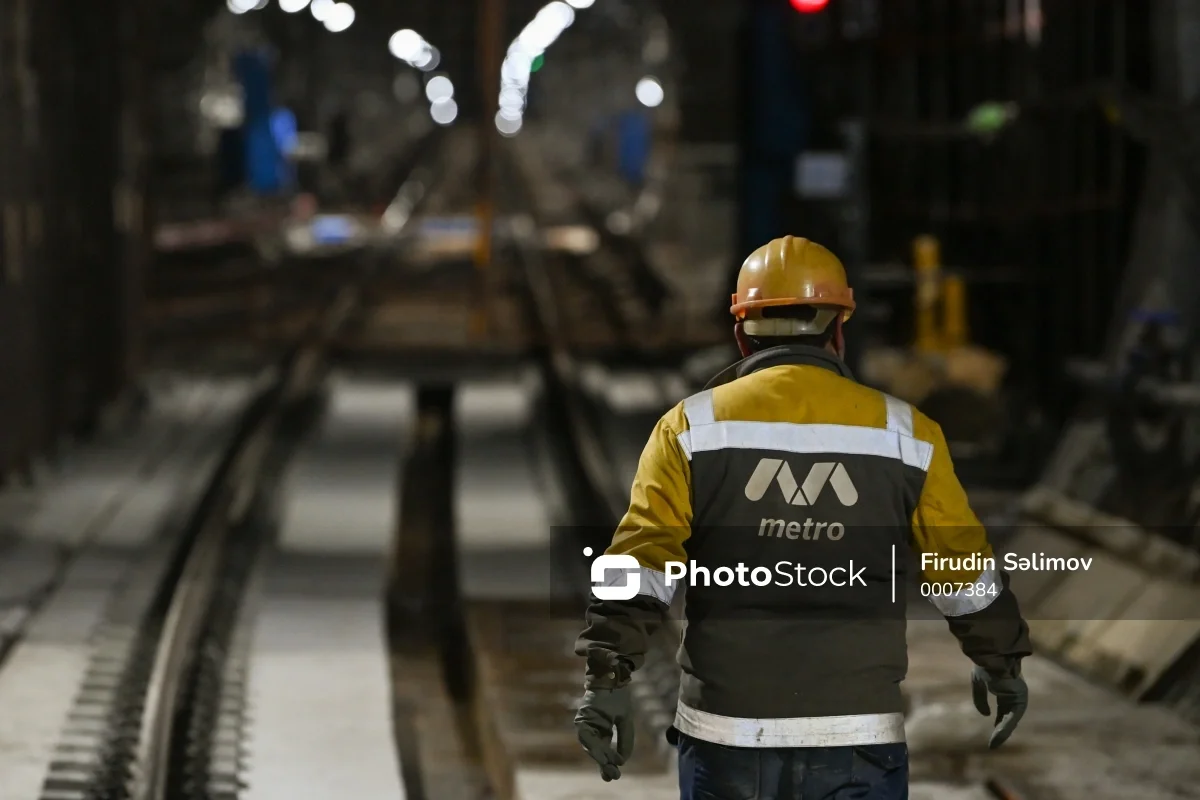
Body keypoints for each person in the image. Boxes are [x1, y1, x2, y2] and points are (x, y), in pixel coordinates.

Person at [573, 236, 1031, 799]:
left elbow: (639, 564)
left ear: (742, 331)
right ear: (839, 329)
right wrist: (1000, 659)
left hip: (726, 735)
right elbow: (961, 569)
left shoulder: (689, 428)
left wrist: (605, 680)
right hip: (857, 735)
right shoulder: (907, 435)